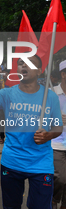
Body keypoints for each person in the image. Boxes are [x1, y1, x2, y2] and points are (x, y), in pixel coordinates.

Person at [0, 55, 63, 209]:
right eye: (21, 63)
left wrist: (48, 135)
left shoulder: (51, 97)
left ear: (40, 71)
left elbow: (58, 127)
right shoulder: (6, 94)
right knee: (11, 205)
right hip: (12, 161)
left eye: (30, 64)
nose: (24, 66)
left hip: (41, 163)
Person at [52, 60, 66, 209]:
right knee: (61, 178)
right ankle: (54, 198)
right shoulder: (52, 93)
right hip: (56, 142)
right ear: (63, 74)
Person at [0, 69, 9, 144]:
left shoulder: (13, 83)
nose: (4, 75)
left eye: (6, 74)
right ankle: (2, 137)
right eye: (4, 74)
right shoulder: (0, 82)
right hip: (2, 107)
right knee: (2, 122)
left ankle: (9, 138)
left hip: (10, 107)